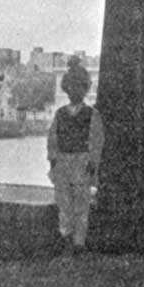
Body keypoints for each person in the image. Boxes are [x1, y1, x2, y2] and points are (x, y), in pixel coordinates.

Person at [47, 55, 104, 255]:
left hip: (81, 161)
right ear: (66, 89)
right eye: (71, 88)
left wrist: (92, 162)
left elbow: (96, 140)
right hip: (63, 161)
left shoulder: (92, 114)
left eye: (79, 88)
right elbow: (52, 139)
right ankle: (66, 238)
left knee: (81, 204)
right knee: (64, 203)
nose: (74, 92)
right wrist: (53, 160)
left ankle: (79, 242)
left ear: (85, 89)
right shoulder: (60, 114)